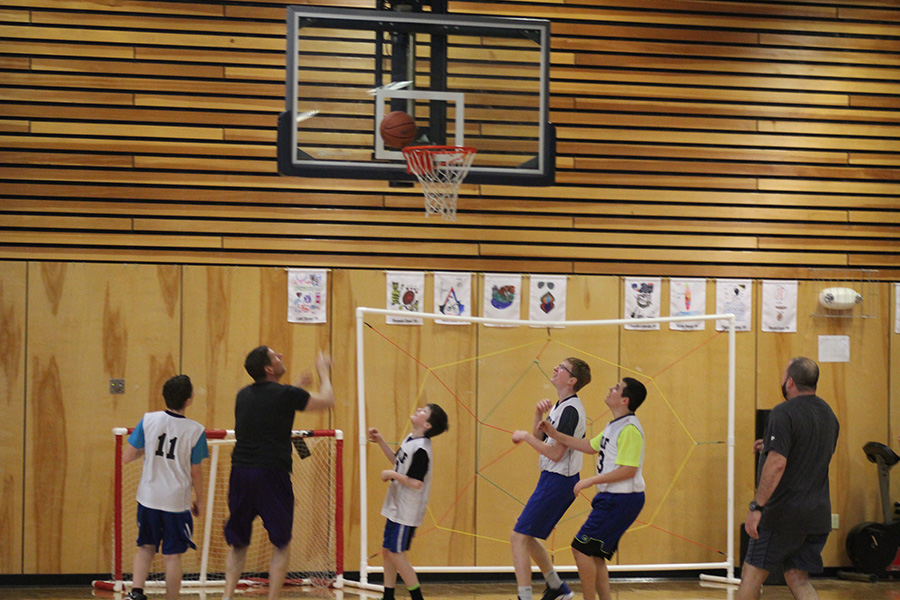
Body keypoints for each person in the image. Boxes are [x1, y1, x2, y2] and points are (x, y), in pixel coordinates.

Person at [222, 346, 335, 600]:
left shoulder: (243, 395)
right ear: (269, 368)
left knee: (239, 544)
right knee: (281, 544)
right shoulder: (286, 395)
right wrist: (323, 372)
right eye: (275, 356)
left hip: (240, 473)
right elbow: (327, 400)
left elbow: (271, 406)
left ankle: (227, 597)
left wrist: (296, 387)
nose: (281, 356)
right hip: (271, 474)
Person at [737, 357, 839, 600]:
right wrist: (771, 445)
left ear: (790, 382)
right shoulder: (829, 415)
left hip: (782, 515)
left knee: (751, 577)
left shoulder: (783, 412)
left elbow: (777, 464)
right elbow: (809, 452)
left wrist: (757, 507)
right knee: (798, 579)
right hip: (817, 516)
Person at [539, 377, 647, 600]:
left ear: (624, 400)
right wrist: (555, 434)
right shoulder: (614, 425)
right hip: (614, 499)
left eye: (616, 388)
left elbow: (629, 470)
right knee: (594, 554)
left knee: (580, 548)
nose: (610, 388)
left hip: (621, 499)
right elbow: (589, 445)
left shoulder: (630, 429)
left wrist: (591, 480)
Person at [510, 358, 592, 600]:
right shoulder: (560, 406)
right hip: (551, 479)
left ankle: (525, 596)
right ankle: (556, 587)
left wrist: (525, 436)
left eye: (562, 368)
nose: (556, 369)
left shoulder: (571, 410)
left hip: (560, 481)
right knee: (526, 535)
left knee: (518, 536)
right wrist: (538, 414)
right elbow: (542, 440)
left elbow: (556, 454)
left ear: (572, 380)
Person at [123, 375, 209, 600]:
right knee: (172, 557)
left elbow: (127, 456)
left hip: (148, 498)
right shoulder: (196, 431)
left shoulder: (148, 420)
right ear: (189, 400)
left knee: (145, 548)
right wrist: (200, 500)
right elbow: (196, 472)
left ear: (164, 396)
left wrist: (149, 448)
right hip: (176, 502)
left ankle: (136, 593)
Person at [368, 403, 450, 600]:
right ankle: (388, 596)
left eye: (424, 411)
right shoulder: (410, 439)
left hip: (407, 511)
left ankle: (417, 597)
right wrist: (380, 441)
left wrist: (392, 475)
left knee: (397, 554)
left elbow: (416, 483)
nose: (419, 409)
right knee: (387, 551)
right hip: (396, 506)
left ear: (427, 425)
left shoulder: (422, 449)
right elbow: (398, 462)